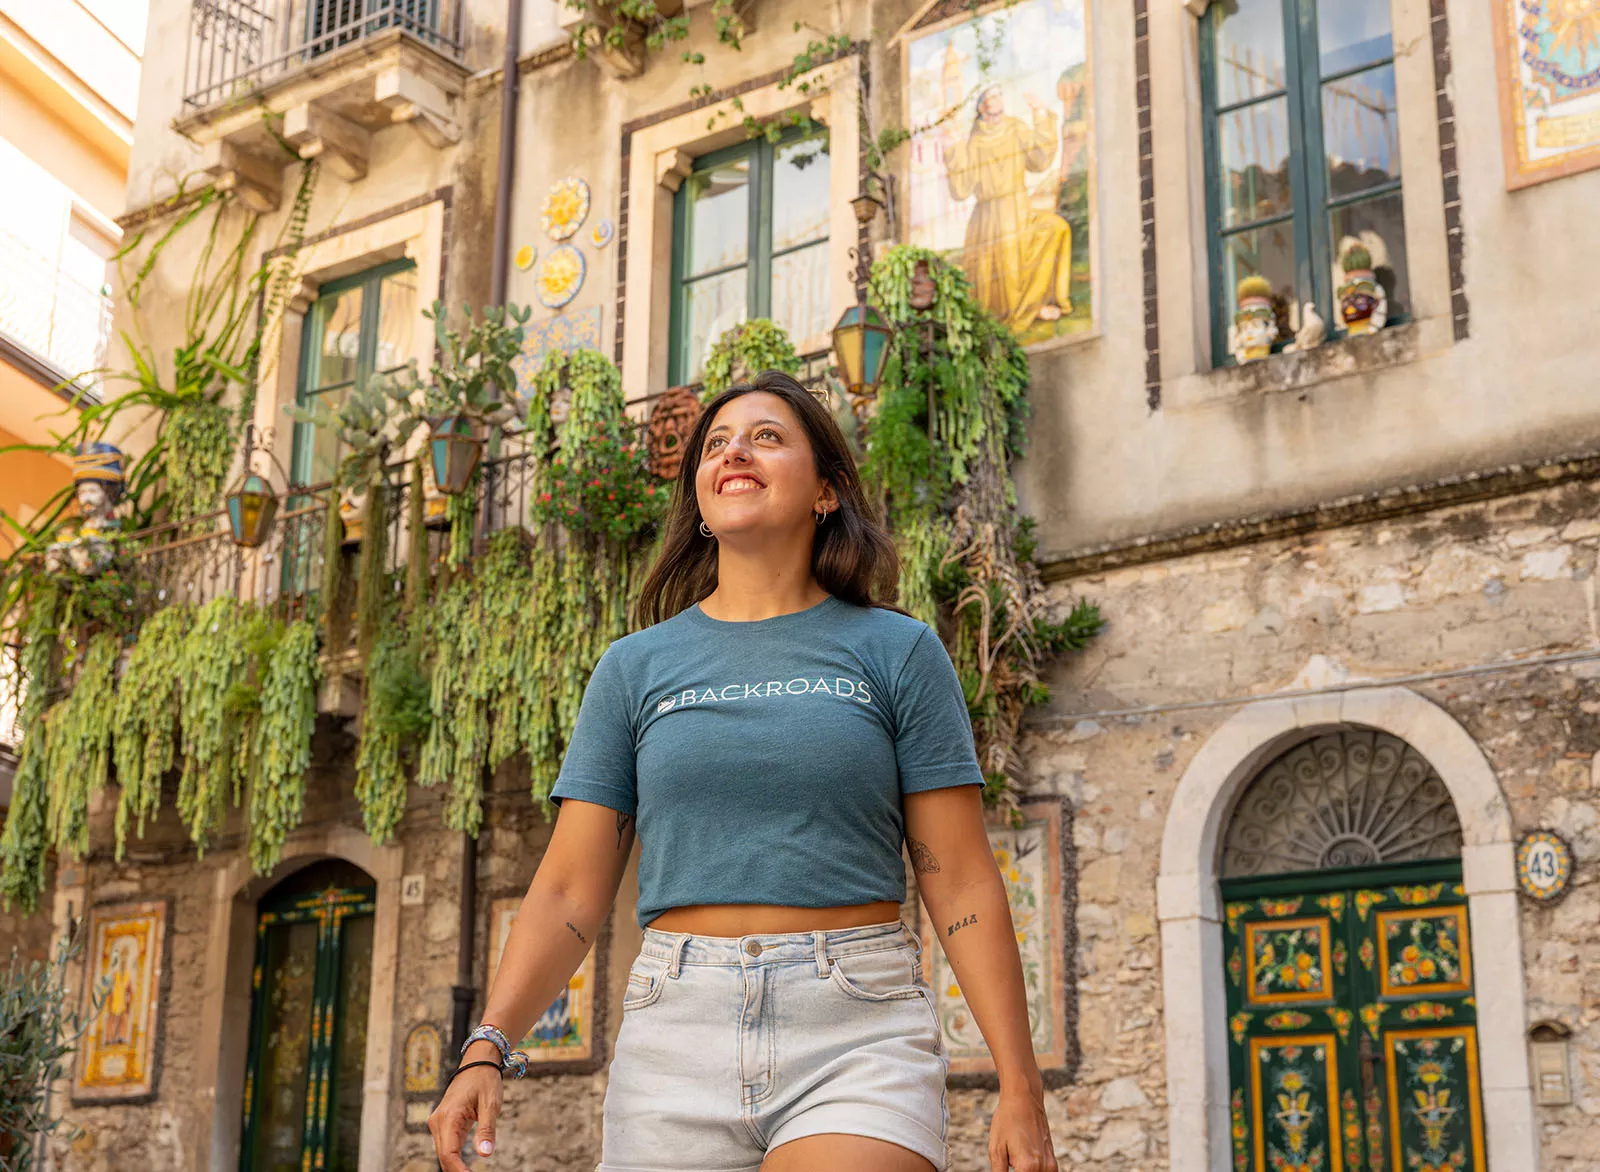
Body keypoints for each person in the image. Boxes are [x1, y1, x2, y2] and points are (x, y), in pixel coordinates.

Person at [430, 370, 1058, 1172]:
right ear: (698, 499)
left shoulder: (897, 652)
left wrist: (1020, 1084)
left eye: (767, 437)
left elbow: (961, 878)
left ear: (826, 491)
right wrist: (487, 1048)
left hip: (854, 1025)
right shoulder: (633, 669)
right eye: (718, 443)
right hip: (674, 1029)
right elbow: (566, 892)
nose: (736, 451)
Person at [945, 85, 1073, 335]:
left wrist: (1040, 113)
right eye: (991, 97)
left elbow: (1039, 159)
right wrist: (954, 145)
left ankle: (1043, 300)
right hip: (989, 217)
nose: (997, 100)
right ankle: (1021, 310)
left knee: (1057, 228)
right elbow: (961, 188)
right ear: (982, 106)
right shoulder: (974, 141)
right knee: (1006, 263)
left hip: (1018, 208)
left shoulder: (1015, 127)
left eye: (999, 95)